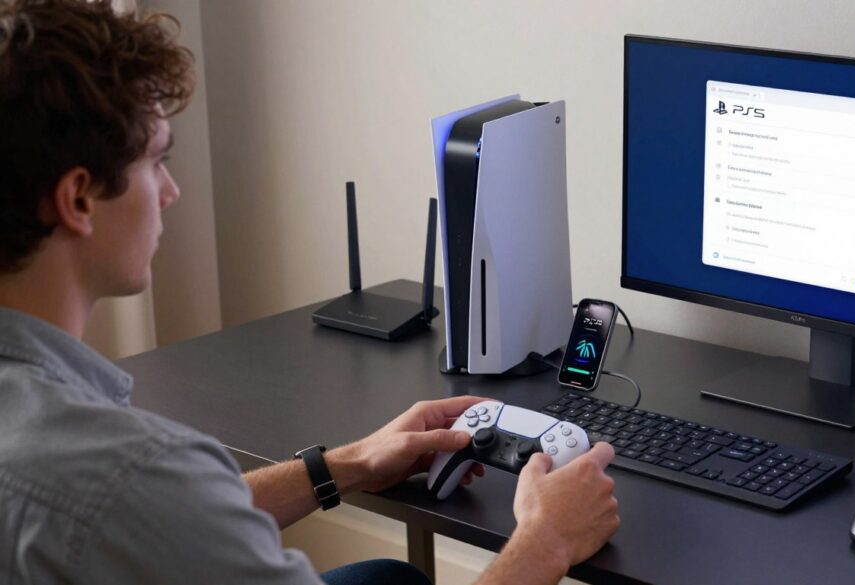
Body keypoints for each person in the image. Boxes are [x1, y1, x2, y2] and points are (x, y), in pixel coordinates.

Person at [0, 1, 620, 584]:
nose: (170, 192)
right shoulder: (133, 474)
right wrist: (547, 541)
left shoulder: (86, 461)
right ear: (78, 199)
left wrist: (348, 465)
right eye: (156, 162)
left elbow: (164, 525)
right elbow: (150, 507)